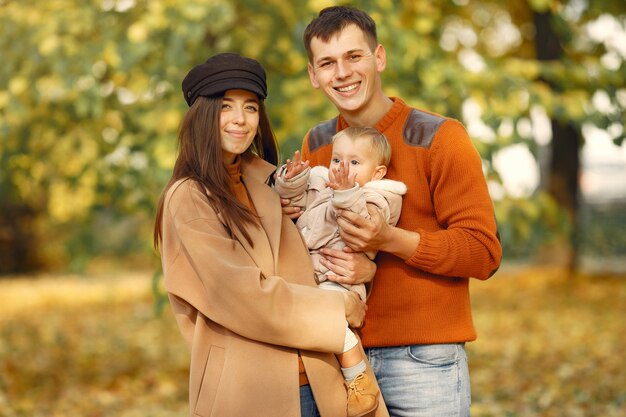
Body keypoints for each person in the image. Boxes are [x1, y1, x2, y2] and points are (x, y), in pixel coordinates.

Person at [283, 6, 503, 417]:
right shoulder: (317, 144)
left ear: (379, 57)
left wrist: (388, 243)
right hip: (337, 355)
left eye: (354, 56)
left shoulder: (439, 137)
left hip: (422, 360)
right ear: (314, 75)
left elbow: (483, 252)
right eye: (328, 63)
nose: (343, 73)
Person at [153, 52, 389, 417]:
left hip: (322, 378)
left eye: (250, 107)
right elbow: (244, 297)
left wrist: (365, 270)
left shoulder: (275, 182)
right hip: (250, 390)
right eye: (225, 107)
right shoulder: (189, 198)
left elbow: (326, 242)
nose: (240, 120)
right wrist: (339, 307)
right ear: (201, 115)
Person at [275, 127, 406, 416]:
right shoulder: (323, 186)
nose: (342, 168)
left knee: (327, 319)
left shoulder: (381, 198)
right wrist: (293, 180)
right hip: (309, 273)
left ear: (378, 173)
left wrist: (346, 193)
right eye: (337, 160)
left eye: (355, 163)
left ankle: (358, 376)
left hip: (340, 278)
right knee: (305, 315)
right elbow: (294, 205)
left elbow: (358, 225)